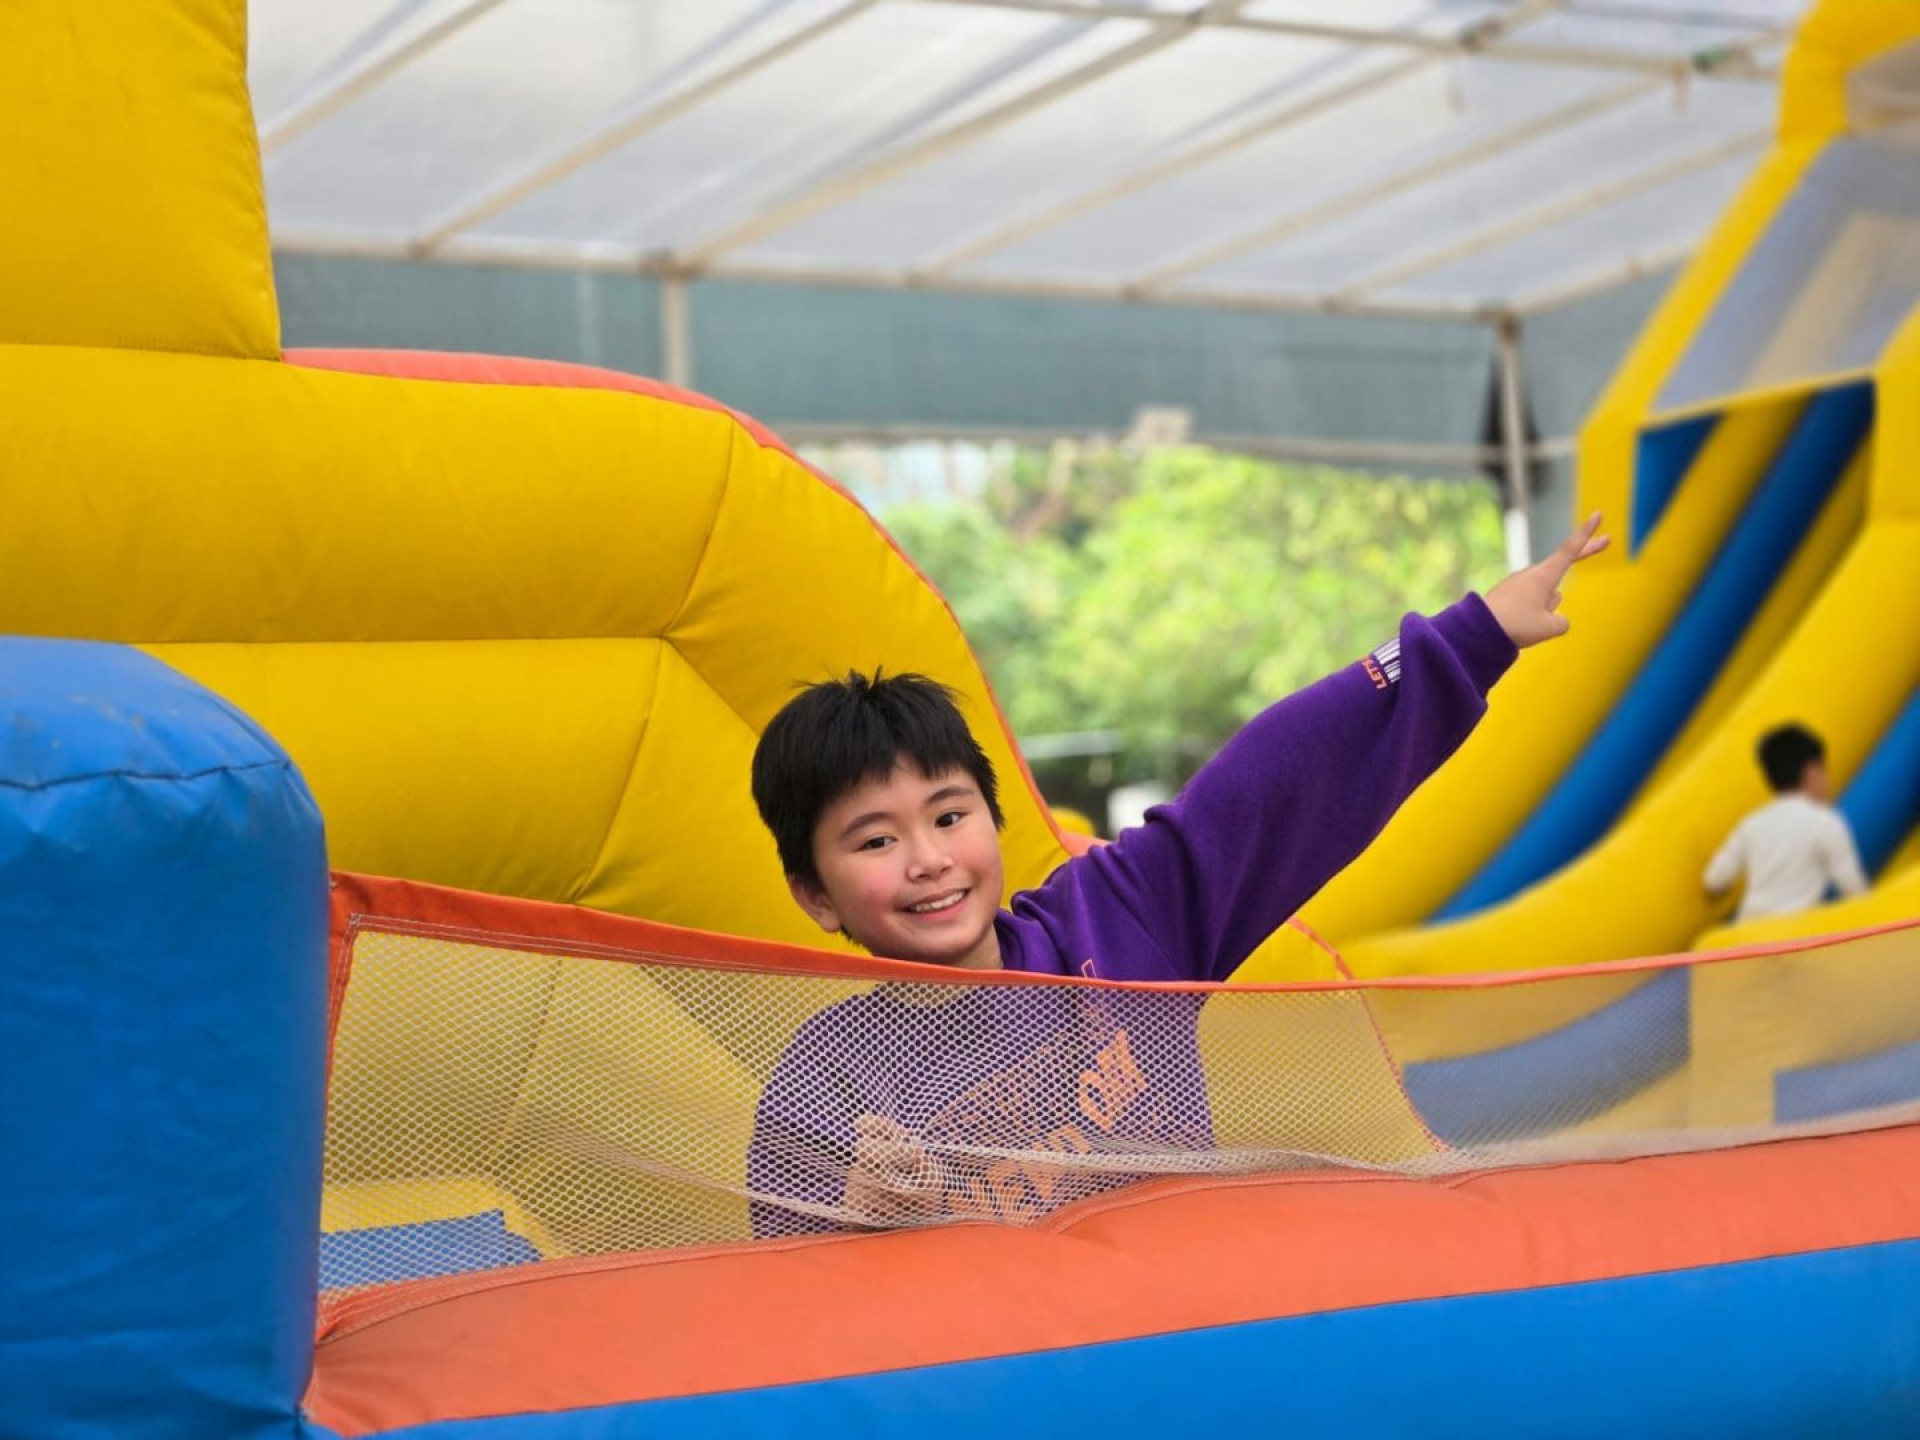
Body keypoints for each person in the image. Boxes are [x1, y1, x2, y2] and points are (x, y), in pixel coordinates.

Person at [745, 514, 1611, 1236]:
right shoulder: (825, 1081)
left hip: (1190, 1339)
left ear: (992, 820)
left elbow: (1273, 783)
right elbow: (797, 1321)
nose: (929, 859)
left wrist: (1470, 638)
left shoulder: (1116, 920)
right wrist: (867, 1228)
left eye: (948, 816)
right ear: (815, 895)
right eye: (875, 841)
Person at [1704, 722, 1868, 923]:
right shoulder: (1825, 822)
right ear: (1811, 772)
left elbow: (1713, 881)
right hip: (1793, 932)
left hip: (1748, 930)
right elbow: (1854, 890)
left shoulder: (1752, 824)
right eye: (1824, 770)